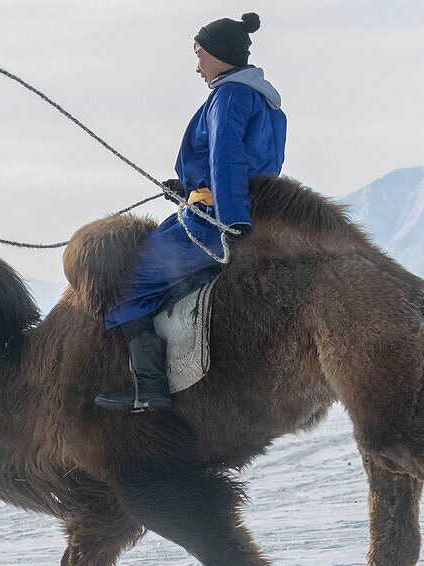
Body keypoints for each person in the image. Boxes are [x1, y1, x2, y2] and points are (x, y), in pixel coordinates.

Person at [95, 12, 287, 412]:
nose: (197, 64)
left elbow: (228, 160)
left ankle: (149, 387)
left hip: (211, 225)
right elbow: (252, 166)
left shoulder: (228, 96)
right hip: (236, 212)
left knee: (125, 280)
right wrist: (187, 188)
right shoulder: (266, 102)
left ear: (219, 55)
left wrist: (229, 222)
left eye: (200, 54)